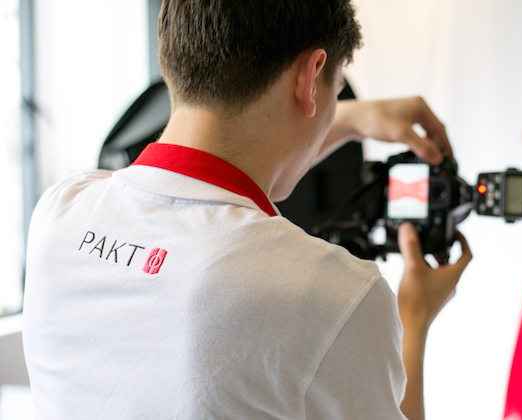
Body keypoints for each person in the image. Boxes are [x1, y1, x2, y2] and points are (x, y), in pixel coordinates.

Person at [23, 1, 471, 419]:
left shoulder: (59, 211)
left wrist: (344, 117)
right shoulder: (337, 294)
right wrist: (413, 318)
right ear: (311, 75)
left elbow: (209, 183)